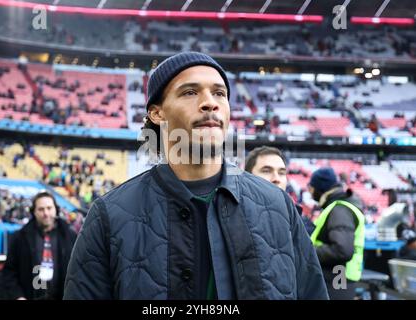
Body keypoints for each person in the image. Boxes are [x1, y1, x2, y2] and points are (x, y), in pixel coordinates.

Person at [64, 52, 328, 300]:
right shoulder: (108, 217)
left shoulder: (278, 206)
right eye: (190, 92)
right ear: (157, 113)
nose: (210, 102)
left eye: (219, 93)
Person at [2, 191, 77, 300]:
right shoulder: (20, 238)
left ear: (56, 209)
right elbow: (9, 272)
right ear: (34, 212)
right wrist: (18, 296)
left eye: (49, 208)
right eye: (41, 209)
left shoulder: (70, 236)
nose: (46, 213)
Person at [308, 167, 365, 300]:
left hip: (337, 279)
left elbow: (342, 250)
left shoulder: (339, 209)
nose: (310, 192)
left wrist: (308, 250)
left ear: (320, 188)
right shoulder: (339, 207)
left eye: (311, 188)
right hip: (337, 278)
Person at [245, 146, 315, 235]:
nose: (276, 179)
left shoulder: (303, 226)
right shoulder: (232, 221)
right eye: (266, 171)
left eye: (282, 173)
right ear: (247, 177)